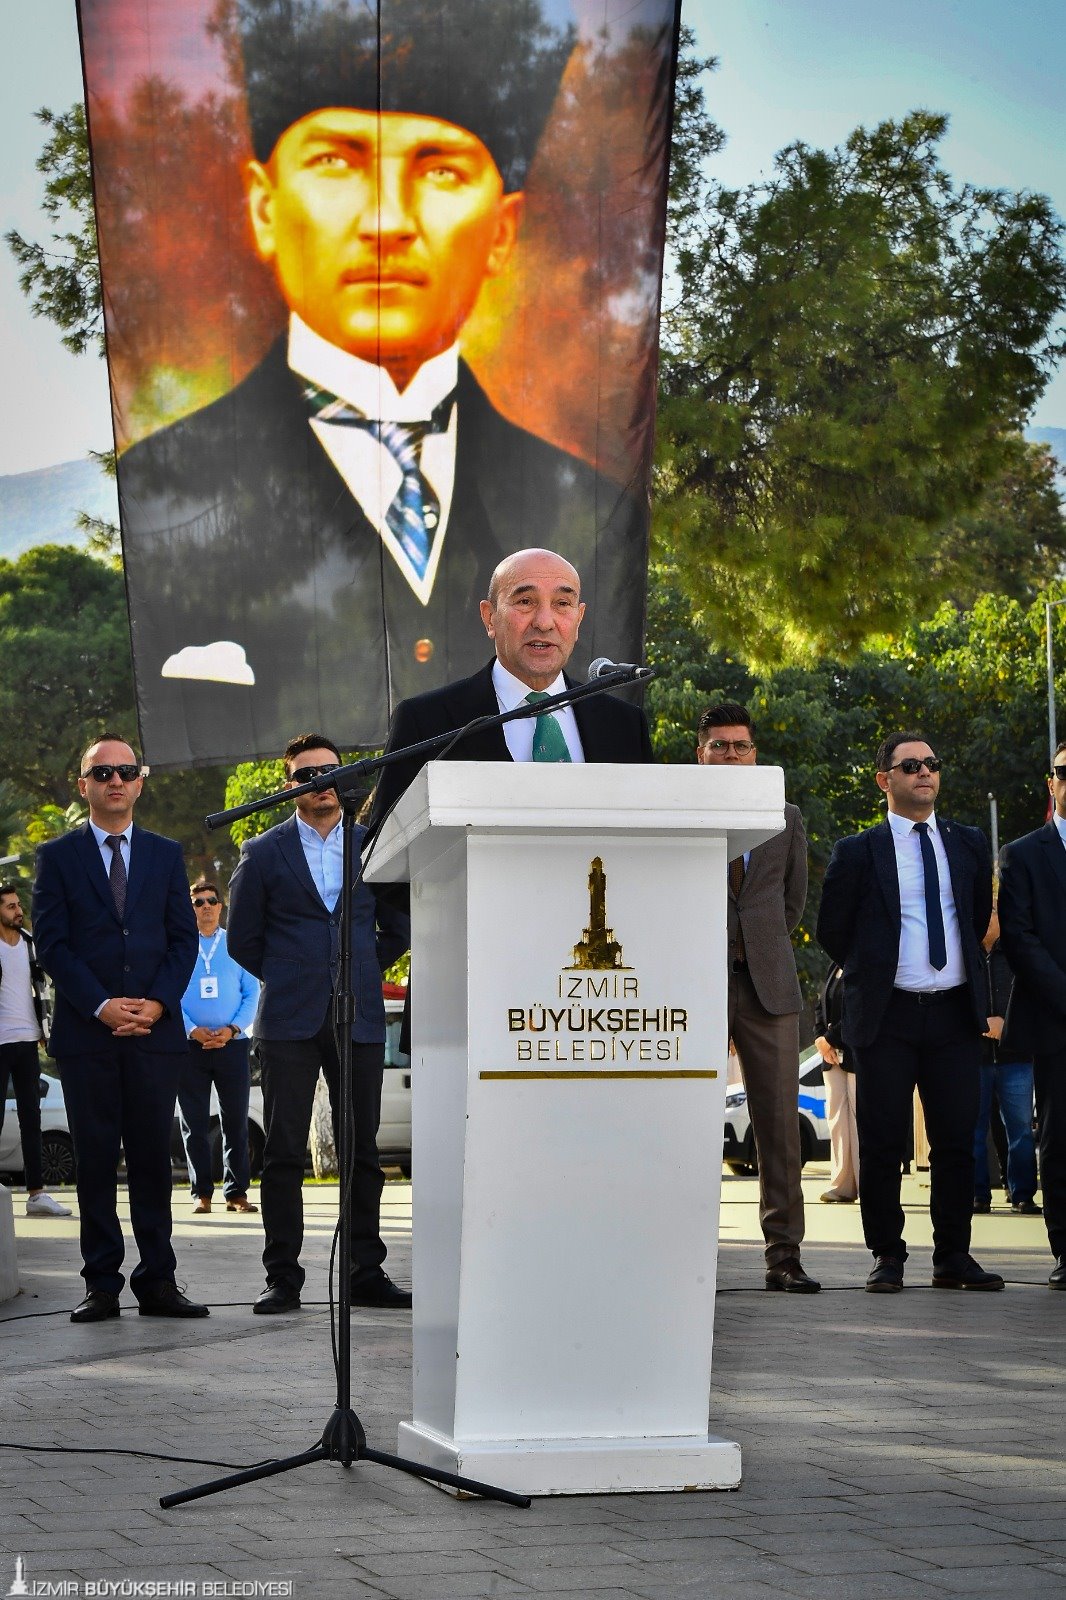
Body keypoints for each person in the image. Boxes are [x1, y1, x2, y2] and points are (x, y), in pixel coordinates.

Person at [115, 0, 647, 765]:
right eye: (336, 163)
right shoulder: (165, 493)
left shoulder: (590, 498)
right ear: (263, 207)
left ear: (501, 232)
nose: (388, 221)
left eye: (440, 171)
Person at [226, 733, 411, 1314]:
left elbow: (399, 927)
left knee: (362, 1151)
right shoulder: (262, 852)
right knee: (283, 1152)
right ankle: (283, 1276)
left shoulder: (372, 843)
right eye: (306, 775)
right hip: (288, 1019)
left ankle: (364, 1272)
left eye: (329, 771)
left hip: (359, 1014)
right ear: (289, 786)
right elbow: (242, 940)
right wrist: (294, 974)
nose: (321, 782)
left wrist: (356, 969)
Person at [817, 732, 1000, 1293]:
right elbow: (832, 932)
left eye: (932, 764)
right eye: (911, 765)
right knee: (881, 1142)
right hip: (886, 1016)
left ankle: (953, 1257)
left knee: (955, 1141)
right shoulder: (858, 851)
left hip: (953, 1014)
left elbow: (975, 920)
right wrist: (875, 968)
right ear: (884, 780)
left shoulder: (968, 843)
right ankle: (887, 1256)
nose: (925, 772)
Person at [31, 737, 206, 1322]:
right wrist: (101, 1005)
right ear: (83, 784)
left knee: (154, 1160)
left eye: (126, 771)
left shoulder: (165, 854)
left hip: (155, 1035)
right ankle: (101, 1283)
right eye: (102, 772)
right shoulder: (57, 857)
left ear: (139, 782)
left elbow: (182, 940)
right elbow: (52, 944)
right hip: (88, 1036)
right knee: (95, 1160)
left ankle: (158, 1281)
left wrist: (156, 1004)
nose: (115, 781)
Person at [370, 546, 653, 829]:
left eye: (562, 604)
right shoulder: (427, 723)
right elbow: (382, 849)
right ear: (489, 617)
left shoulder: (624, 725)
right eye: (526, 601)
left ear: (578, 619)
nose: (544, 623)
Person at [696, 703, 818, 1294]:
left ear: (754, 753)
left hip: (768, 984)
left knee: (779, 1128)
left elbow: (791, 902)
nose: (731, 755)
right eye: (719, 745)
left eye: (740, 746)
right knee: (690, 1123)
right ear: (700, 754)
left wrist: (758, 945)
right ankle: (690, 1255)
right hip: (698, 983)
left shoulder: (784, 816)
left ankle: (784, 1256)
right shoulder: (680, 813)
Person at [997, 739, 1066, 1289]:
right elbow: (1018, 939)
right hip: (1056, 1021)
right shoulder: (1021, 854)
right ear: (1051, 782)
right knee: (1060, 1139)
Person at [178, 879, 260, 1216]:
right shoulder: (180, 946)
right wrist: (192, 1030)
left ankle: (236, 1193)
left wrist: (232, 1029)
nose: (206, 907)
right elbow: (169, 993)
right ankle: (201, 1193)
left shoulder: (235, 945)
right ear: (190, 909)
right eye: (199, 902)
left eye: (212, 901)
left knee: (236, 1122)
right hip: (190, 1048)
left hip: (232, 1045)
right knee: (194, 1124)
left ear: (221, 906)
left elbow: (252, 993)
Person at [0, 884, 71, 1218]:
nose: (18, 911)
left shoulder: (30, 944)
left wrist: (45, 1029)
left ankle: (36, 1194)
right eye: (11, 906)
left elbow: (43, 990)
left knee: (32, 1119)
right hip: (0, 1041)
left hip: (28, 1040)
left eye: (18, 905)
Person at [972, 905, 1038, 1216]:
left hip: (1016, 1056)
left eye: (994, 911)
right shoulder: (966, 954)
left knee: (1021, 1130)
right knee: (973, 1129)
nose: (987, 918)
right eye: (984, 911)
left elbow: (1030, 999)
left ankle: (1022, 1194)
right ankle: (977, 1195)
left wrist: (1005, 1026)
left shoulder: (1016, 953)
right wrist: (980, 1024)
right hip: (975, 1057)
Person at [814, 961, 858, 1205]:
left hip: (857, 1053)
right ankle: (842, 1186)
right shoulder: (833, 966)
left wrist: (830, 1039)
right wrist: (820, 1039)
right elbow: (819, 1006)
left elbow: (859, 1008)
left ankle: (866, 1183)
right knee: (837, 1121)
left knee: (859, 1120)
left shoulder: (861, 964)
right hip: (831, 1057)